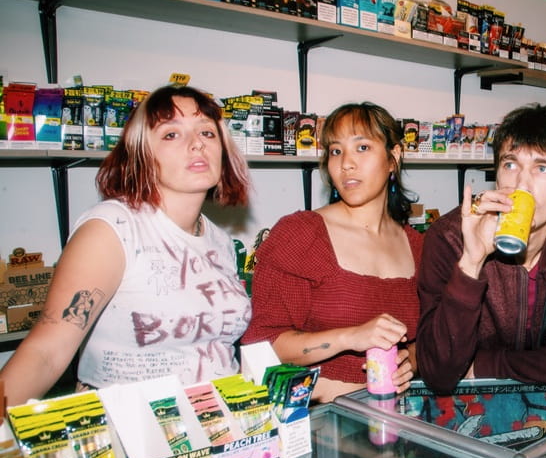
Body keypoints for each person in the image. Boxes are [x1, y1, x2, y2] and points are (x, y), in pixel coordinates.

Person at [0, 85, 252, 407]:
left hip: (216, 420)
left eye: (207, 132)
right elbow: (46, 352)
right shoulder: (112, 229)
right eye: (171, 134)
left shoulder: (219, 241)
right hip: (132, 426)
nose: (197, 144)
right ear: (141, 153)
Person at [416, 103, 546, 392]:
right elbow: (438, 373)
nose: (522, 185)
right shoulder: (449, 237)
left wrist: (487, 366)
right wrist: (471, 263)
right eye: (510, 165)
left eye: (542, 168)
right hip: (470, 409)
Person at [243, 102, 421, 403]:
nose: (346, 164)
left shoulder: (416, 245)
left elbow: (426, 336)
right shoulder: (301, 235)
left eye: (362, 148)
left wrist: (412, 360)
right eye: (336, 151)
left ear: (394, 157)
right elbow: (264, 343)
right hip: (319, 418)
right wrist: (350, 337)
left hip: (396, 414)